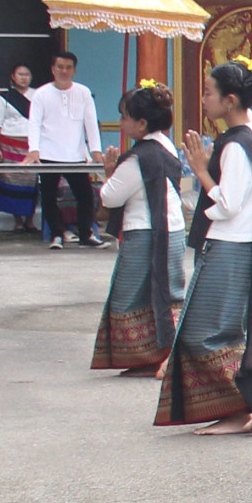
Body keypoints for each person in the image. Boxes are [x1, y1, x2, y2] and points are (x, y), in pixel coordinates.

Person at [158, 59, 252, 435]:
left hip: (230, 246)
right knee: (214, 332)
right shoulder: (240, 137)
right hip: (228, 244)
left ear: (230, 101)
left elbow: (228, 205)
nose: (204, 99)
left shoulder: (238, 144)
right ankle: (238, 407)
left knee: (204, 334)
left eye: (209, 93)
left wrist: (200, 170)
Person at [91, 82, 186, 377]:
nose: (120, 123)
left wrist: (109, 175)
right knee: (166, 292)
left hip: (146, 233)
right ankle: (164, 354)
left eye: (124, 117)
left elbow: (110, 197)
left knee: (129, 296)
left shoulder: (139, 157)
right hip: (173, 229)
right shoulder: (166, 145)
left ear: (142, 123)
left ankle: (150, 357)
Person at [29, 49, 105, 249]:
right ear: (53, 69)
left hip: (75, 154)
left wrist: (96, 150)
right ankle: (57, 235)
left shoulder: (83, 92)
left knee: (85, 196)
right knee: (48, 197)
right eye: (60, 67)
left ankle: (86, 235)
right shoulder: (41, 94)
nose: (64, 71)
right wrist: (34, 149)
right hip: (48, 153)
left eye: (68, 67)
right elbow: (34, 123)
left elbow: (91, 122)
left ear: (74, 70)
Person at [0, 60, 39, 232]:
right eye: (20, 74)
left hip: (31, 146)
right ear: (13, 76)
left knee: (32, 183)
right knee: (11, 183)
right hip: (9, 144)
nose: (24, 78)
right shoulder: (3, 98)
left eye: (27, 75)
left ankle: (30, 220)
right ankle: (17, 220)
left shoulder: (38, 95)